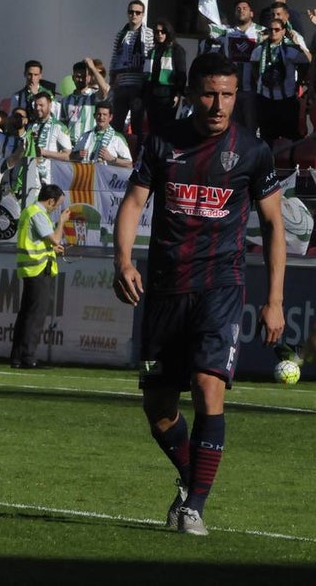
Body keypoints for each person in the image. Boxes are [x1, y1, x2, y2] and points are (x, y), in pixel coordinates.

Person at [113, 52, 286, 536]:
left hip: (221, 286)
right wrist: (123, 260)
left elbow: (273, 226)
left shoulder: (252, 152)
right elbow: (133, 202)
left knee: (209, 387)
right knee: (160, 410)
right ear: (192, 94)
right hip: (166, 288)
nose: (218, 104)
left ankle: (195, 508)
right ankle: (192, 481)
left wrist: (274, 300)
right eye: (210, 93)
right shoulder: (163, 142)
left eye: (227, 94)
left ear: (237, 95)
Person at [9, 184, 69, 369]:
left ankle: (17, 357)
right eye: (56, 205)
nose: (56, 209)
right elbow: (55, 238)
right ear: (50, 201)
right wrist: (61, 222)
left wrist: (52, 247)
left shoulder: (30, 211)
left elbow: (43, 241)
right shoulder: (38, 213)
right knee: (35, 316)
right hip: (38, 269)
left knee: (26, 315)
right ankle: (28, 357)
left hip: (31, 269)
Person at [250, 17, 311, 164]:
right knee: (266, 136)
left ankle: (291, 166)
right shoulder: (259, 49)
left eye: (277, 29)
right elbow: (254, 69)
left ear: (283, 31)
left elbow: (307, 61)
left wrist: (299, 83)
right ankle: (267, 167)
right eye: (270, 29)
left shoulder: (290, 49)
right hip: (266, 99)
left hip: (286, 100)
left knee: (292, 135)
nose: (273, 32)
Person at [109, 0, 154, 135]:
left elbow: (150, 59)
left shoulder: (149, 34)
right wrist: (112, 80)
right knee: (116, 122)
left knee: (137, 124)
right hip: (121, 84)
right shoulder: (121, 34)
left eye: (137, 12)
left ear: (143, 14)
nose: (134, 15)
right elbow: (115, 58)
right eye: (131, 12)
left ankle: (136, 153)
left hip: (138, 85)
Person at [220, 0, 263, 129]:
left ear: (251, 13)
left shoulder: (262, 32)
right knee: (232, 128)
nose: (241, 10)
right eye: (238, 9)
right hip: (232, 90)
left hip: (252, 91)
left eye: (244, 8)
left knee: (250, 128)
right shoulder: (227, 34)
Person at [144, 21, 187, 132]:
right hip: (152, 96)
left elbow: (181, 74)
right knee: (153, 128)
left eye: (163, 32)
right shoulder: (152, 51)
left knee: (166, 127)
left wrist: (178, 94)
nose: (160, 34)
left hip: (168, 96)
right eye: (157, 32)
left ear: (168, 33)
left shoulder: (177, 50)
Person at [26, 91, 72, 187]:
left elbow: (67, 156)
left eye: (41, 105)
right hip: (30, 176)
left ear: (50, 105)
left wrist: (44, 152)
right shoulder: (30, 126)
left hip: (49, 180)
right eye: (36, 105)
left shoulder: (59, 127)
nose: (38, 108)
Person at [59, 57, 110, 141]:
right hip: (70, 145)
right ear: (73, 78)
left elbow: (105, 90)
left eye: (84, 76)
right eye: (78, 76)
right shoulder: (66, 100)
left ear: (89, 77)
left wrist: (92, 67)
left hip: (88, 143)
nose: (81, 79)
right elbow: (62, 125)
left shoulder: (93, 95)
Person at [71, 102, 133, 168]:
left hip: (107, 176)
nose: (101, 117)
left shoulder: (117, 138)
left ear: (110, 117)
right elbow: (72, 157)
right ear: (94, 116)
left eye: (105, 114)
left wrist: (112, 159)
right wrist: (78, 155)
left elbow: (129, 164)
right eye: (99, 114)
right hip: (86, 175)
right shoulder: (85, 136)